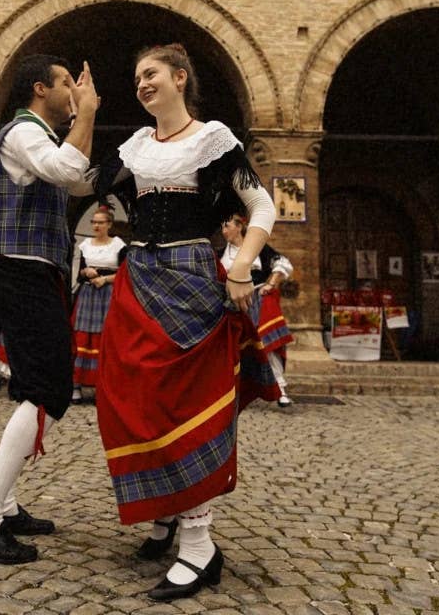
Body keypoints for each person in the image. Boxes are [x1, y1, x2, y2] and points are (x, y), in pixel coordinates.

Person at [96, 43, 279, 601]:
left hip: (190, 274)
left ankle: (199, 545)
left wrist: (242, 265)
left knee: (183, 397)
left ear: (180, 78)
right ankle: (166, 509)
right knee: (128, 395)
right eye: (136, 78)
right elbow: (85, 182)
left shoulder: (212, 139)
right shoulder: (135, 147)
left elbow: (263, 206)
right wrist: (82, 115)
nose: (142, 84)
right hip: (139, 275)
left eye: (150, 73)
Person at [0, 53, 99, 565]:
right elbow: (66, 168)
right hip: (23, 272)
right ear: (41, 89)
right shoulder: (22, 133)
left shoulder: (44, 138)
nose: (71, 91)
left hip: (37, 274)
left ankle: (5, 504)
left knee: (33, 389)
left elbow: (79, 180)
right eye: (65, 84)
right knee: (49, 391)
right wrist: (89, 114)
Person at [220, 213, 296, 406]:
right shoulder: (221, 253)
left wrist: (270, 283)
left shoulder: (258, 249)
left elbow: (282, 263)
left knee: (266, 344)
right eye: (222, 227)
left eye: (227, 226)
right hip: (234, 305)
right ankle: (230, 392)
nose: (224, 231)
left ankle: (280, 389)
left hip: (258, 302)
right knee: (233, 348)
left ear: (239, 226)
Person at [70, 206, 126, 403]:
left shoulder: (118, 246)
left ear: (109, 224)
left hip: (108, 295)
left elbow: (125, 273)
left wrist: (106, 279)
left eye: (100, 222)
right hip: (88, 295)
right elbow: (79, 272)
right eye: (94, 222)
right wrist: (87, 273)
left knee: (106, 338)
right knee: (82, 337)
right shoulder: (85, 245)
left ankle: (102, 386)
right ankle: (75, 386)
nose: (96, 225)